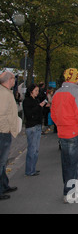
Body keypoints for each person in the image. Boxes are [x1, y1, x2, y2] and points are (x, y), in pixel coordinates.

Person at [51, 68, 78, 203]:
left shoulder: (57, 93)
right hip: (75, 132)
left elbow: (53, 114)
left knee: (66, 163)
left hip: (63, 132)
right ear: (77, 78)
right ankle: (70, 194)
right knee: (74, 165)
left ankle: (67, 190)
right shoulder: (77, 94)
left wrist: (61, 125)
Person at [0, 71, 21, 201]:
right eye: (14, 78)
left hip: (5, 132)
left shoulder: (5, 92)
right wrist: (6, 129)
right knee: (1, 161)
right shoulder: (3, 94)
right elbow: (1, 115)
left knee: (3, 162)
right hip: (3, 133)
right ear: (10, 79)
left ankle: (4, 185)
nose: (15, 81)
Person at [22, 84, 46, 176]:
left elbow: (38, 112)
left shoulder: (36, 100)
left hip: (37, 125)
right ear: (31, 91)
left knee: (36, 149)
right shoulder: (27, 101)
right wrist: (39, 106)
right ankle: (29, 170)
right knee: (32, 149)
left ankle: (33, 168)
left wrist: (42, 106)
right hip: (32, 126)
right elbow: (29, 113)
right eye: (36, 90)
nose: (37, 92)